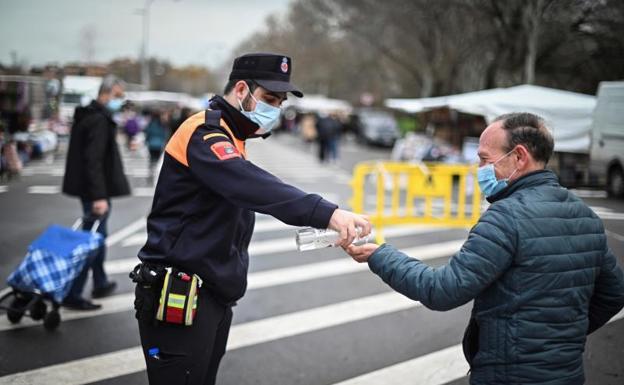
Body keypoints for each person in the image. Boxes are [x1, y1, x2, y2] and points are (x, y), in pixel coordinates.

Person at [133, 53, 371, 385]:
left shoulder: (233, 134)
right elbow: (250, 185)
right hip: (180, 294)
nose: (275, 109)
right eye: (269, 99)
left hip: (211, 294)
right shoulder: (205, 131)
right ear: (241, 88)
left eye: (280, 101)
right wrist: (327, 213)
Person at [343, 112, 624, 385]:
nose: (479, 169)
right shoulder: (585, 216)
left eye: (484, 159)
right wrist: (562, 337)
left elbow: (442, 290)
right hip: (567, 373)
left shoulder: (505, 217)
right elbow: (614, 293)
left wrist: (380, 254)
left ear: (519, 157)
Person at [62, 75, 130, 310]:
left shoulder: (89, 116)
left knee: (97, 237)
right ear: (107, 93)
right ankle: (73, 292)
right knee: (91, 241)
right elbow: (93, 161)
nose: (120, 101)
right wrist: (99, 196)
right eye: (119, 96)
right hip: (94, 191)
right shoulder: (99, 120)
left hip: (89, 188)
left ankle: (100, 282)